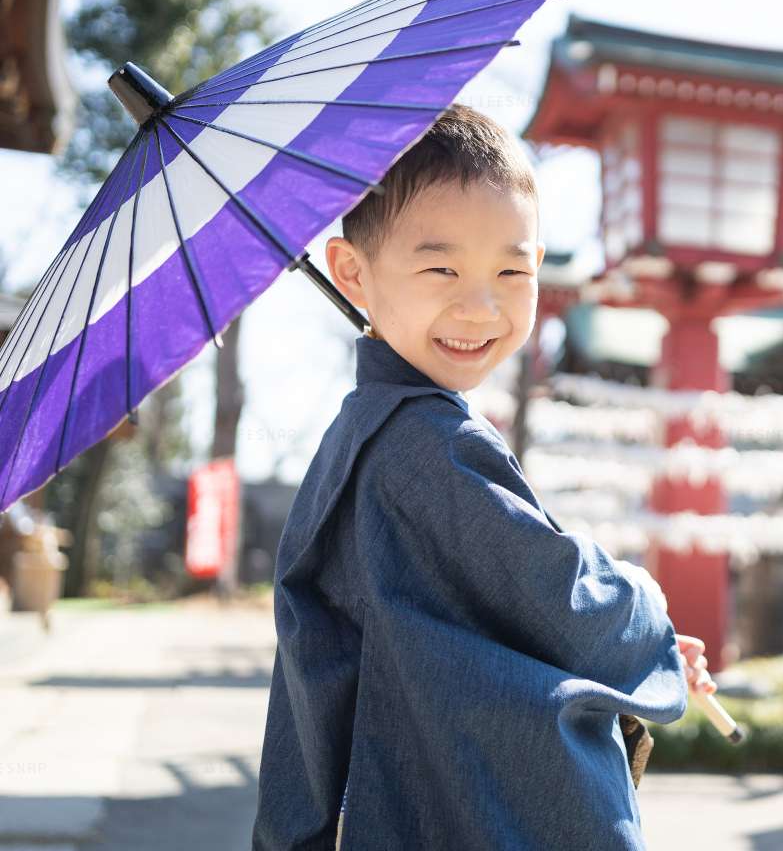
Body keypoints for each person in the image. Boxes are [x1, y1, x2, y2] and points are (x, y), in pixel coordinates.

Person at [251, 104, 717, 851]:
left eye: (512, 270)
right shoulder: (426, 444)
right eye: (440, 267)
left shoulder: (364, 435)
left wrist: (655, 646)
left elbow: (499, 610)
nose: (480, 305)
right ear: (351, 272)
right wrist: (649, 613)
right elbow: (559, 596)